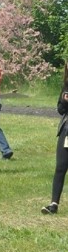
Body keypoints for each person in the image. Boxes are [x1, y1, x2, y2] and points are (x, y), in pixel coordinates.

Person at [41, 62, 68, 215]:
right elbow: (60, 109)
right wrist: (64, 101)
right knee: (61, 167)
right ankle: (54, 204)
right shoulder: (66, 86)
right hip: (66, 130)